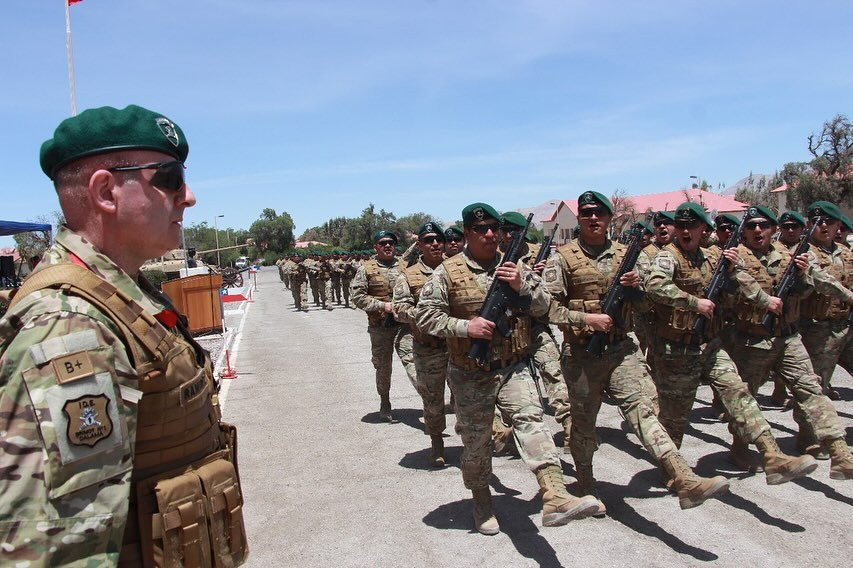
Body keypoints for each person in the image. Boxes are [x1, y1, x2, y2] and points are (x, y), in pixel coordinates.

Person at [0, 105, 247, 566]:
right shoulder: (71, 326)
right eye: (170, 179)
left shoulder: (129, 294)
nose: (188, 196)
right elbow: (58, 547)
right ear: (106, 191)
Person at [417, 202, 599, 535]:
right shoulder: (448, 271)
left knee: (531, 420)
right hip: (470, 372)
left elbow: (547, 307)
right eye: (480, 229)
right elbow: (425, 317)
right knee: (476, 444)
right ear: (467, 233)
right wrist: (464, 328)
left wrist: (521, 286)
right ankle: (482, 499)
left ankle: (555, 493)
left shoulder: (514, 267)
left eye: (493, 229)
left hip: (513, 366)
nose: (489, 234)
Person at [544, 192, 727, 513]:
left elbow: (647, 306)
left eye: (599, 212)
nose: (592, 218)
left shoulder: (629, 255)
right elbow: (547, 309)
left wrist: (635, 289)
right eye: (586, 213)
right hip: (581, 355)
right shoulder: (563, 258)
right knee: (583, 424)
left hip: (621, 349)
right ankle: (585, 481)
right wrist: (586, 318)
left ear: (610, 217)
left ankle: (683, 477)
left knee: (643, 412)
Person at [644, 201, 816, 484]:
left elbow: (742, 281)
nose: (686, 231)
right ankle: (673, 471)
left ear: (703, 229)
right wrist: (693, 302)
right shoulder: (667, 257)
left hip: (710, 345)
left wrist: (765, 301)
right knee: (675, 420)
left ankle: (773, 456)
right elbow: (655, 285)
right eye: (682, 226)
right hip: (676, 350)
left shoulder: (714, 257)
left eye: (692, 226)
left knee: (739, 394)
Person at [720, 205, 853, 479]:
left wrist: (807, 278)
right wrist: (763, 299)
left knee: (812, 390)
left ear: (773, 229)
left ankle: (840, 453)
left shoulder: (790, 255)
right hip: (752, 340)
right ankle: (740, 445)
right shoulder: (735, 258)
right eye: (752, 226)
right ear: (744, 231)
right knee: (747, 398)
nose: (758, 230)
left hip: (789, 337)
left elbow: (814, 284)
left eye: (764, 225)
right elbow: (738, 288)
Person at [497, 211, 572, 453]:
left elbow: (551, 295)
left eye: (514, 231)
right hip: (505, 329)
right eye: (504, 230)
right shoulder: (492, 256)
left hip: (534, 325)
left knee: (554, 371)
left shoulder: (541, 255)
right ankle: (505, 430)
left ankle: (570, 426)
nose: (508, 236)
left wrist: (534, 276)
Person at [393, 222, 450, 466]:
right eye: (428, 240)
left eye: (438, 239)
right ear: (420, 245)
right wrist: (423, 314)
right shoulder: (409, 275)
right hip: (429, 347)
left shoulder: (455, 269)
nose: (435, 243)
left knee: (473, 396)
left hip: (460, 346)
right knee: (433, 400)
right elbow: (398, 308)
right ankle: (437, 442)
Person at [351, 230, 413, 421]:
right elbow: (358, 297)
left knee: (414, 363)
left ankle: (430, 405)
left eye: (391, 243)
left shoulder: (406, 266)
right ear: (376, 247)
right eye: (383, 242)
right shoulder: (366, 269)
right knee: (383, 367)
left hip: (404, 326)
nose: (388, 245)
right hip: (380, 328)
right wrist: (383, 306)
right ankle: (385, 401)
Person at [799, 201, 853, 403]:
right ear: (809, 224)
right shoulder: (803, 252)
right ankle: (810, 433)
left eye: (828, 222)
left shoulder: (845, 252)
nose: (823, 226)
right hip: (818, 331)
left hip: (847, 327)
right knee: (815, 388)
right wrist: (849, 296)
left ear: (838, 224)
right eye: (817, 221)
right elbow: (820, 279)